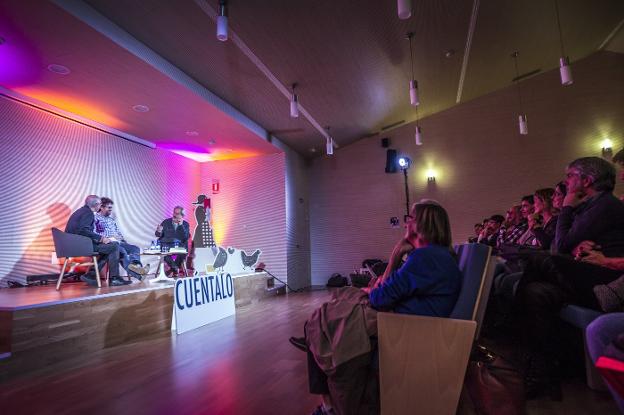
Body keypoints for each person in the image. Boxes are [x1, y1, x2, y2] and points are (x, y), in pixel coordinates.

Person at [304, 201, 462, 415]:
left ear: (422, 224)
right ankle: (318, 340)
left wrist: (396, 255)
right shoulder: (437, 255)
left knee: (323, 318)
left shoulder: (426, 257)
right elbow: (386, 290)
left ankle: (329, 402)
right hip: (406, 319)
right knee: (341, 302)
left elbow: (380, 298)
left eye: (410, 218)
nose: (406, 223)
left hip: (405, 327)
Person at [516, 157, 624, 399]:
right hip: (591, 273)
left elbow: (559, 246)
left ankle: (523, 348)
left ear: (587, 180)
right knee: (536, 292)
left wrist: (565, 206)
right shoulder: (590, 207)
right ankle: (546, 373)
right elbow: (563, 245)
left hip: (606, 281)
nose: (567, 181)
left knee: (536, 261)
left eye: (571, 176)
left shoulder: (604, 205)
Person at [65, 195, 130, 286]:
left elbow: (81, 231)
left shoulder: (81, 211)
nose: (100, 207)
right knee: (114, 246)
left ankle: (91, 275)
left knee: (109, 248)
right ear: (96, 204)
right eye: (100, 204)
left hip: (74, 244)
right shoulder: (88, 213)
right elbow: (83, 230)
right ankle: (114, 278)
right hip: (79, 246)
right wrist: (101, 238)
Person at [95, 197, 149, 280]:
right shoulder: (96, 219)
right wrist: (107, 238)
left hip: (118, 242)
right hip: (108, 244)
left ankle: (136, 266)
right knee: (122, 252)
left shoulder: (111, 220)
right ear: (101, 207)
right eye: (108, 208)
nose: (110, 210)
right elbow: (95, 234)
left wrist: (123, 240)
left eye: (111, 208)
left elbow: (118, 233)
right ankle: (139, 273)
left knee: (135, 248)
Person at [155, 206, 190, 277]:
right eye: (174, 212)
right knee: (164, 254)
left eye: (178, 213)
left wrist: (181, 225)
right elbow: (158, 234)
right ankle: (175, 268)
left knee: (182, 253)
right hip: (167, 245)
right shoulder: (166, 222)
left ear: (182, 215)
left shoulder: (185, 224)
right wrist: (159, 231)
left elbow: (185, 237)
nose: (175, 215)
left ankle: (173, 269)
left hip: (179, 246)